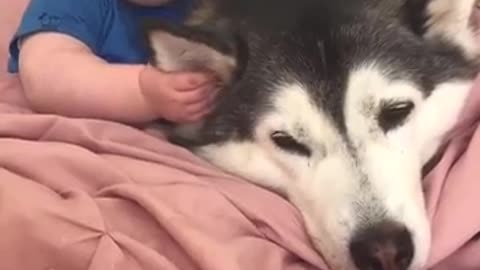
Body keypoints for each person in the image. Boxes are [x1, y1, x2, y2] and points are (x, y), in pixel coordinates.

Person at [7, 0, 219, 124]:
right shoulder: (72, 4)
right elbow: (48, 75)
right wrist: (141, 92)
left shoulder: (213, 8)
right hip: (77, 137)